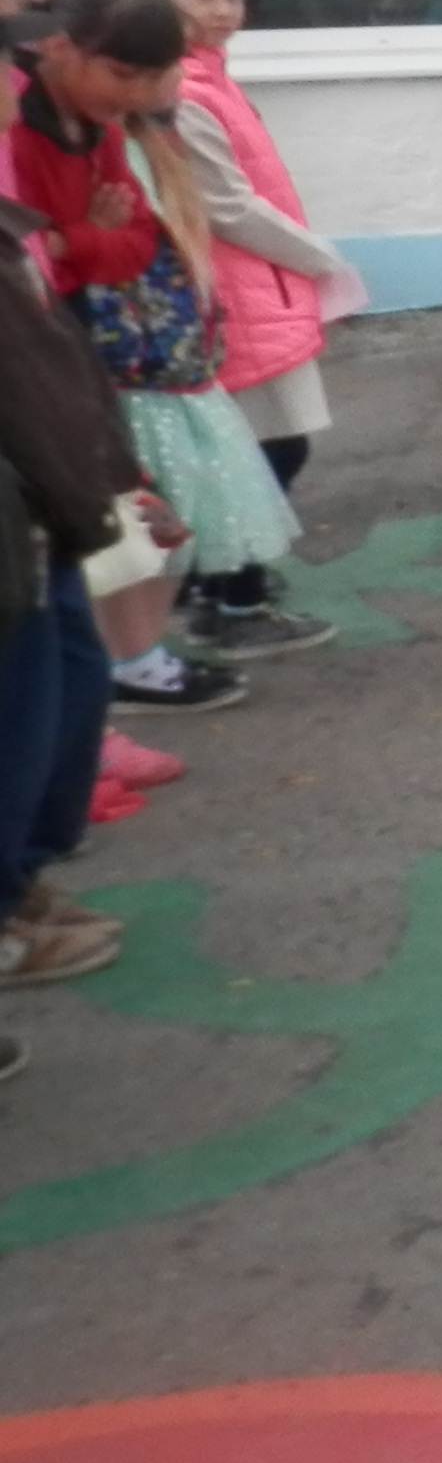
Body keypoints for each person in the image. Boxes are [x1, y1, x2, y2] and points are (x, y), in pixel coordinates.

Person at [7, 0, 292, 721]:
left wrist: (74, 241)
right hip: (49, 348)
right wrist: (82, 237)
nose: (134, 95)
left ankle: (123, 667)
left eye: (150, 77)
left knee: (143, 505)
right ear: (59, 47)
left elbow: (129, 243)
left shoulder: (98, 128)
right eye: (121, 74)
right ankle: (113, 673)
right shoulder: (24, 131)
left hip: (92, 337)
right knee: (78, 519)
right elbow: (31, 253)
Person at [113, 0, 348, 660]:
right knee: (262, 450)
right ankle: (232, 597)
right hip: (236, 293)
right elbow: (228, 205)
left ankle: (214, 585)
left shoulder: (205, 78)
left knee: (261, 446)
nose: (222, 10)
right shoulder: (182, 92)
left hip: (255, 290)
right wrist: (320, 257)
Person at [0, 103, 147, 995]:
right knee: (23, 705)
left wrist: (105, 482)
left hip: (39, 508)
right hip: (28, 505)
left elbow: (53, 367)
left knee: (60, 685)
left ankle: (21, 881)